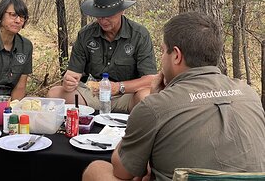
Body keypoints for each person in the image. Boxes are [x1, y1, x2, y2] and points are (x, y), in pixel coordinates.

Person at [82, 11, 265, 181]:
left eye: (163, 51)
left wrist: (153, 100)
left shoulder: (155, 107)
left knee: (96, 169)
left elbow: (122, 171)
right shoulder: (249, 93)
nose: (162, 58)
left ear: (176, 55)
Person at [47, 0, 157, 113]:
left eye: (108, 15)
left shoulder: (139, 34)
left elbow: (150, 80)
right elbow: (73, 72)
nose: (103, 20)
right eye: (99, 15)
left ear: (121, 11)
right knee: (54, 94)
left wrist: (119, 87)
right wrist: (69, 81)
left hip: (127, 94)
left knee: (147, 97)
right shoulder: (86, 34)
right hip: (94, 94)